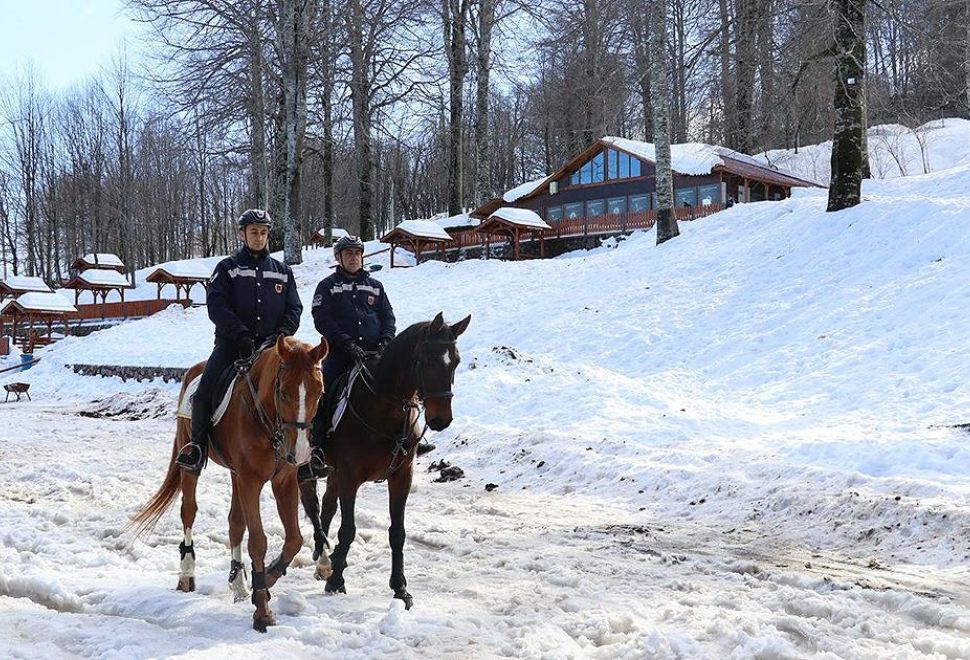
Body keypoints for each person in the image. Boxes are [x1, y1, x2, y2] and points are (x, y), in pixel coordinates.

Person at [175, 209, 303, 473]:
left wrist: (280, 336)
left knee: (305, 390)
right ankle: (197, 449)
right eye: (254, 232)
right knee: (203, 394)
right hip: (232, 347)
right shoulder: (227, 268)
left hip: (272, 350)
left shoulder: (283, 272)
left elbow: (294, 309)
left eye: (264, 232)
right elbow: (217, 306)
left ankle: (308, 449)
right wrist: (240, 334)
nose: (259, 237)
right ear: (242, 234)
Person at [302, 235, 434, 479]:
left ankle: (414, 438)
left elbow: (388, 318)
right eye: (348, 253)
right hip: (341, 355)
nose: (353, 257)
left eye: (356, 253)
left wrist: (386, 341)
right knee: (324, 391)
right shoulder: (327, 286)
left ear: (362, 256)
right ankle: (318, 446)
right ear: (338, 257)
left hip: (376, 355)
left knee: (406, 386)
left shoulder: (376, 286)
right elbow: (323, 320)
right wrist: (347, 344)